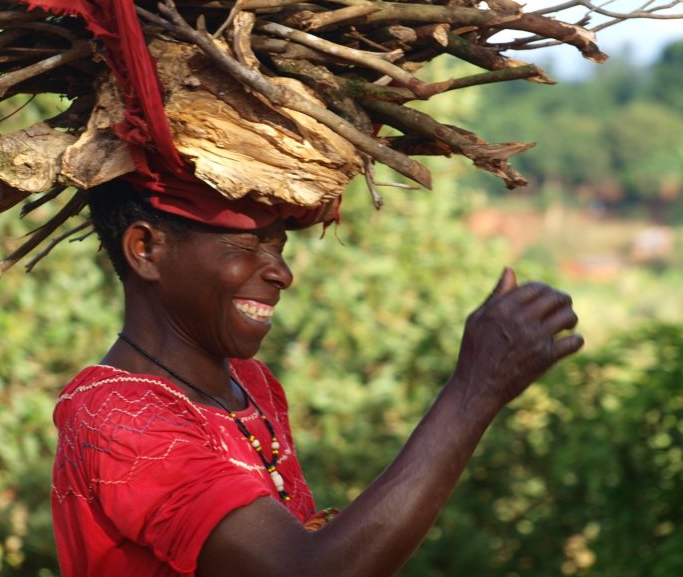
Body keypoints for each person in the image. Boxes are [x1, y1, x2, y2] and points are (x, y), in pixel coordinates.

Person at [51, 178, 583, 577]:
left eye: (278, 246)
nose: (282, 273)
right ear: (146, 250)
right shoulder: (118, 419)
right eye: (248, 244)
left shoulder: (251, 384)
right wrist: (472, 393)